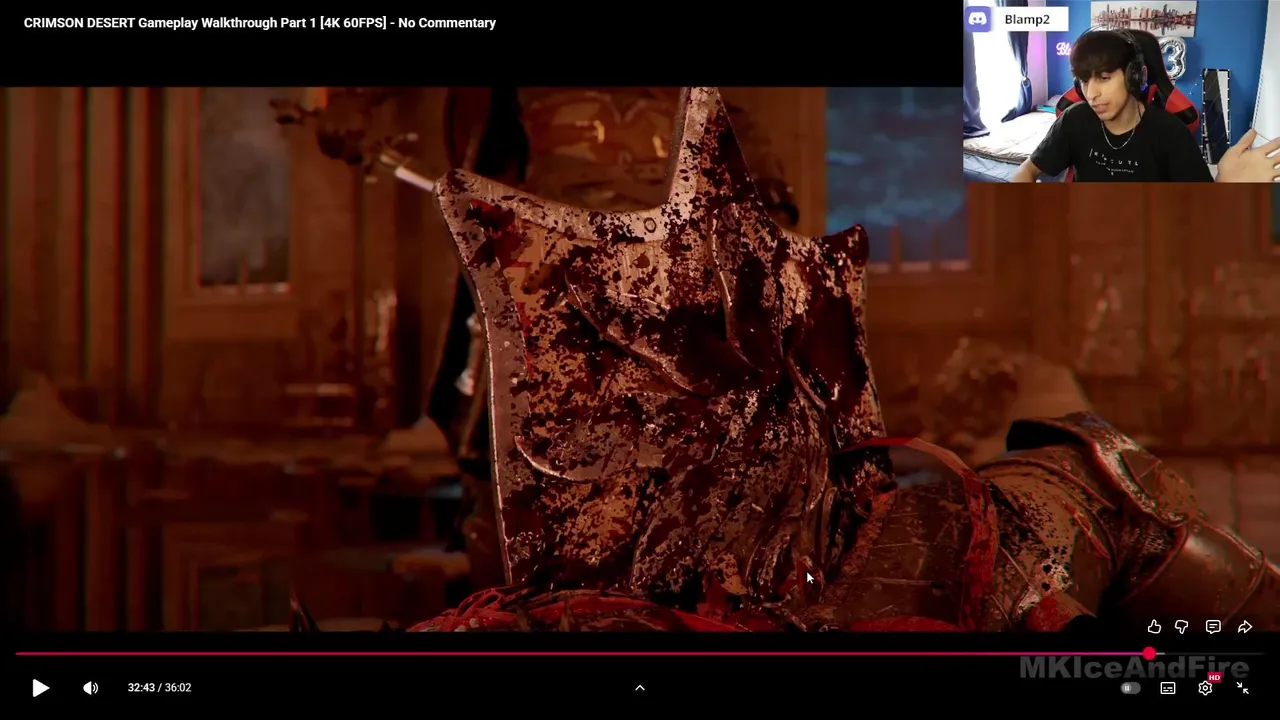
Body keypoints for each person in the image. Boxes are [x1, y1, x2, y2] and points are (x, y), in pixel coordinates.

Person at [1013, 30, 1280, 183]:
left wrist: (1225, 184)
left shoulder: (1169, 133)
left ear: (1134, 77)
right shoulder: (1075, 120)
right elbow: (1028, 169)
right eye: (1084, 81)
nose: (1091, 94)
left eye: (1104, 78)